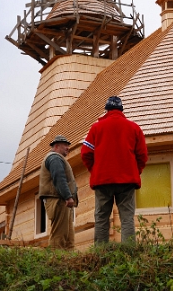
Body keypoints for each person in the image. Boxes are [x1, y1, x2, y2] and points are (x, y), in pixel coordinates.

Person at [81, 96, 148, 244]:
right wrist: (135, 171)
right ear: (121, 110)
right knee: (127, 218)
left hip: (102, 180)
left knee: (101, 218)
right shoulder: (134, 128)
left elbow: (85, 153)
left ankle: (101, 254)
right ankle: (129, 253)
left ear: (107, 110)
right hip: (127, 181)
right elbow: (142, 155)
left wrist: (96, 170)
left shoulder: (96, 128)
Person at [39, 135, 78, 250]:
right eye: (65, 145)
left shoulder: (56, 158)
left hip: (61, 200)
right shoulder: (55, 158)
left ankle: (69, 265)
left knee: (68, 239)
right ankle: (55, 263)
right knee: (59, 236)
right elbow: (59, 178)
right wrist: (68, 196)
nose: (68, 148)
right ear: (56, 146)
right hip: (58, 200)